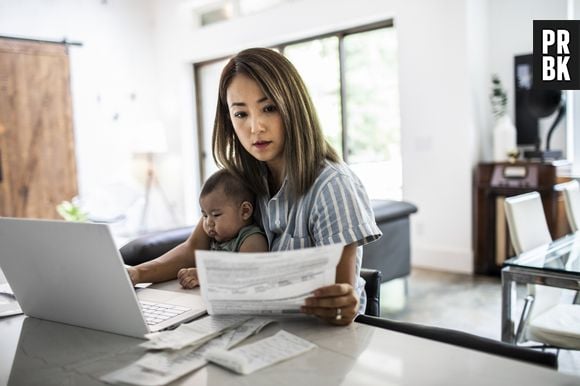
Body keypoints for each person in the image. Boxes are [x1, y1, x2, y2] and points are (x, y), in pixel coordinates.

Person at [128, 47, 381, 325]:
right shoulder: (238, 180)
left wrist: (343, 303)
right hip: (251, 326)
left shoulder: (333, 187)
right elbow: (193, 249)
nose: (255, 127)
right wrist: (135, 274)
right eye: (241, 114)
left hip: (313, 336)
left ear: (293, 108)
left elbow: (339, 299)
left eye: (268, 108)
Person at [177, 169, 268, 289]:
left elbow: (248, 272)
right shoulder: (215, 239)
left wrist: (204, 275)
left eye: (216, 215)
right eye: (205, 215)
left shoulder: (251, 238)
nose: (208, 223)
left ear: (245, 211)